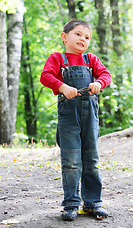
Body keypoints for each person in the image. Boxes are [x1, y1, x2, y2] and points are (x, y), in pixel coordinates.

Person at [40, 20, 111, 221]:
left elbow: (106, 75)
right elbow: (45, 77)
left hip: (90, 115)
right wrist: (62, 87)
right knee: (71, 161)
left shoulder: (91, 59)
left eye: (87, 37)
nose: (83, 39)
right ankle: (71, 204)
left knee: (92, 159)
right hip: (68, 116)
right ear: (65, 37)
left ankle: (93, 203)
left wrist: (98, 82)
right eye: (78, 34)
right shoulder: (57, 58)